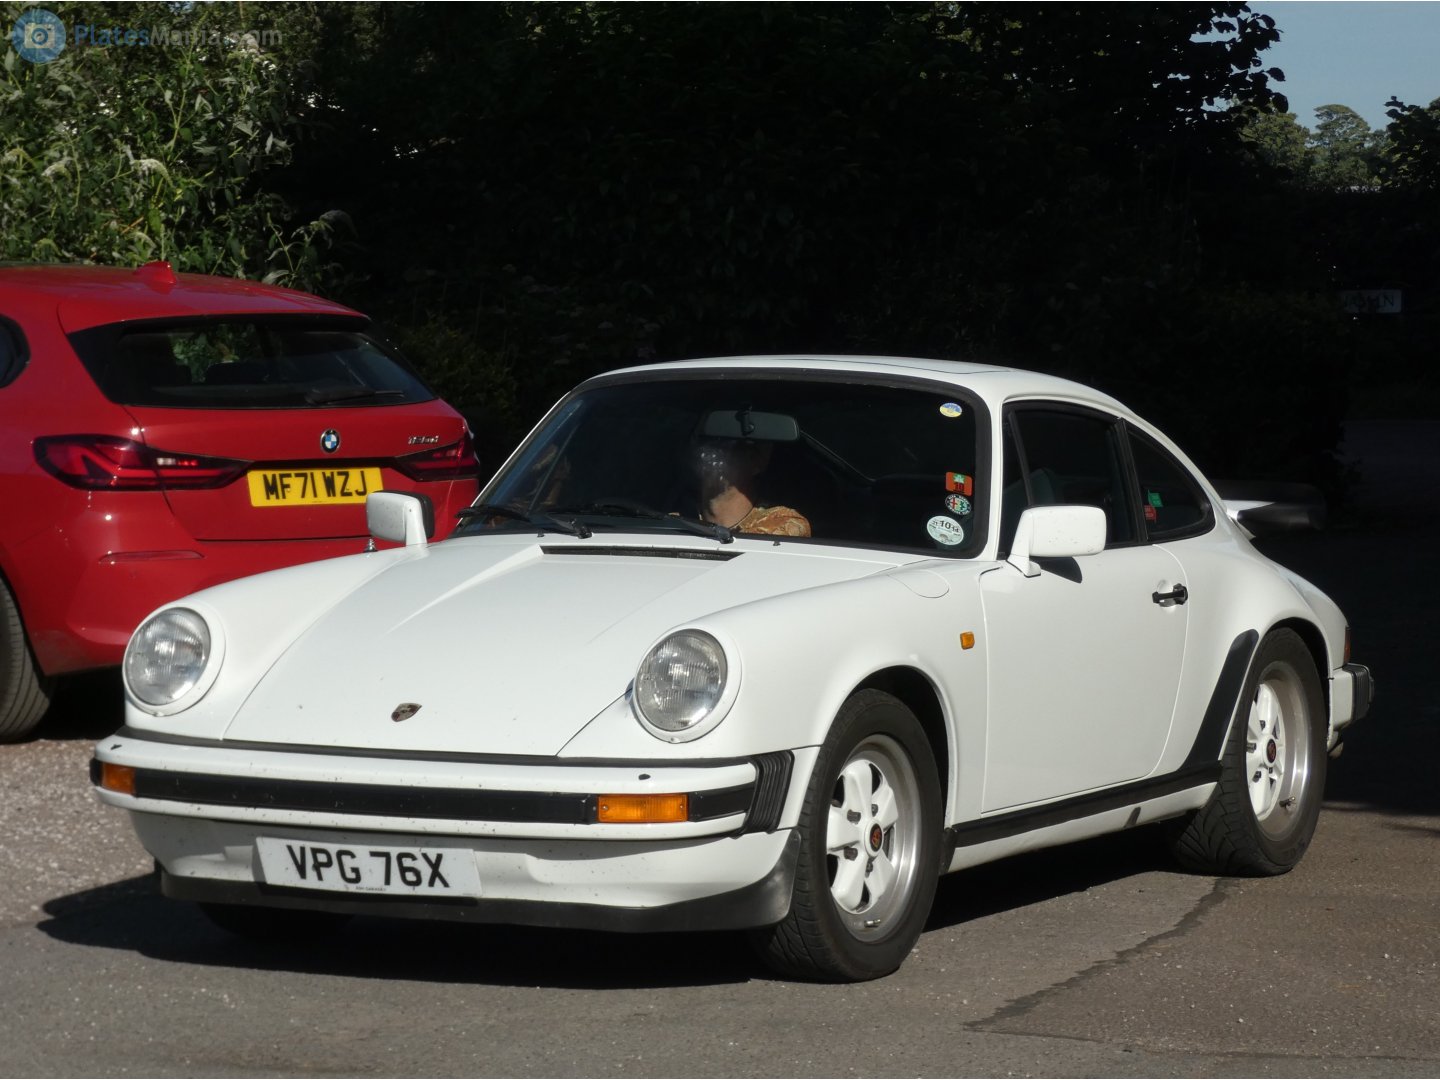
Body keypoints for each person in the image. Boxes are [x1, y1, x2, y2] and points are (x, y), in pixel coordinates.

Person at [694, 438, 810, 537]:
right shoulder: (678, 521)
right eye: (710, 442)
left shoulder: (781, 525)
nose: (714, 454)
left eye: (728, 445)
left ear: (757, 460)